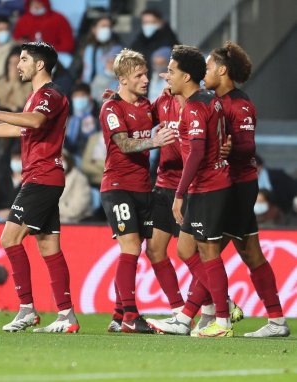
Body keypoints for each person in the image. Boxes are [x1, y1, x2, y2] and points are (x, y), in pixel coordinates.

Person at [0, 41, 80, 333]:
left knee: (9, 239)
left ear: (39, 64)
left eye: (23, 59)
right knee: (48, 247)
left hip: (42, 176)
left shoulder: (50, 94)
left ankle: (27, 310)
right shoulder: (35, 96)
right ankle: (66, 315)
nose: (18, 65)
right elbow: (19, 129)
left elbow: (34, 121)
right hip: (42, 176)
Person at [150, 45, 233, 337]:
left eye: (171, 71)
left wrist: (180, 193)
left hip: (208, 187)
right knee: (185, 249)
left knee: (209, 252)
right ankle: (212, 307)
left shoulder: (196, 107)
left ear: (186, 76)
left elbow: (196, 153)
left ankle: (222, 320)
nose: (167, 76)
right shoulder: (211, 102)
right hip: (205, 186)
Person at [207, 42, 288, 337]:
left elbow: (248, 144)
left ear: (222, 70)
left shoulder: (239, 104)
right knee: (252, 254)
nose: (204, 72)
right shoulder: (213, 100)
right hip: (229, 185)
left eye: (208, 66)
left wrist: (231, 149)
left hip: (238, 187)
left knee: (206, 250)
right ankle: (277, 321)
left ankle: (202, 312)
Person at [98, 48, 175, 334]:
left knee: (138, 249)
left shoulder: (145, 106)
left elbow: (161, 110)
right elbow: (124, 144)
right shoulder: (111, 108)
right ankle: (131, 314)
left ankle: (119, 316)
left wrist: (171, 88)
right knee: (130, 247)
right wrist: (155, 142)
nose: (145, 80)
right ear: (122, 78)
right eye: (138, 75)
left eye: (145, 74)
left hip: (144, 187)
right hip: (117, 188)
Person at [129, 8, 179, 74]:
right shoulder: (138, 43)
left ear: (160, 23)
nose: (148, 25)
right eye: (145, 22)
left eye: (152, 22)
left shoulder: (169, 42)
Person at [0, 47, 33, 112]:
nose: (13, 66)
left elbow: (21, 103)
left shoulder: (29, 84)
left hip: (17, 116)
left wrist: (16, 82)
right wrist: (10, 83)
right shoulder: (0, 82)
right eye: (10, 63)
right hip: (0, 114)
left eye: (16, 63)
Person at [59, 150, 92, 223]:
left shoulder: (80, 179)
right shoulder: (46, 180)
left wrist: (53, 210)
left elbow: (76, 209)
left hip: (78, 222)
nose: (59, 162)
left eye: (62, 159)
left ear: (68, 161)